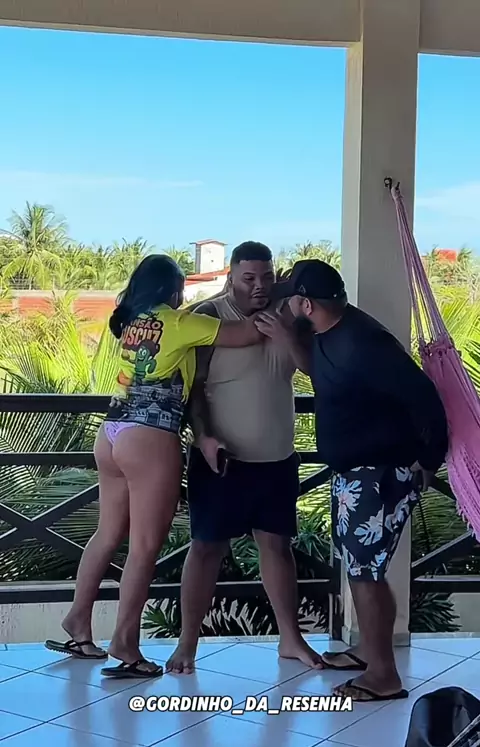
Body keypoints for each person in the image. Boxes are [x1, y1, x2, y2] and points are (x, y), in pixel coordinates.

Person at [45, 254, 263, 678]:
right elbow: (249, 333)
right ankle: (125, 644)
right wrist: (278, 295)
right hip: (150, 435)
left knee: (107, 534)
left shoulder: (131, 320)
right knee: (145, 547)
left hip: (111, 433)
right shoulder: (180, 323)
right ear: (173, 289)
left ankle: (77, 621)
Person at [255, 259, 449, 702]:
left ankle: (383, 675)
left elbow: (424, 397)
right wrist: (286, 337)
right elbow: (320, 372)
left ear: (306, 304)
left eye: (291, 301)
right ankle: (369, 652)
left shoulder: (364, 343)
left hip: (379, 474)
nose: (287, 308)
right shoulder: (328, 331)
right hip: (358, 473)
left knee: (364, 575)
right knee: (366, 571)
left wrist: (429, 459)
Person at [166, 241, 324, 674]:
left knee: (277, 547)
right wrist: (204, 436)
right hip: (221, 460)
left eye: (266, 277)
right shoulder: (210, 316)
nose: (259, 286)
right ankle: (187, 643)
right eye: (249, 278)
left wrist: (286, 334)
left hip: (277, 458)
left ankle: (290, 639)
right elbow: (194, 388)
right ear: (231, 277)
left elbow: (313, 370)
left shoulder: (290, 316)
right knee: (205, 549)